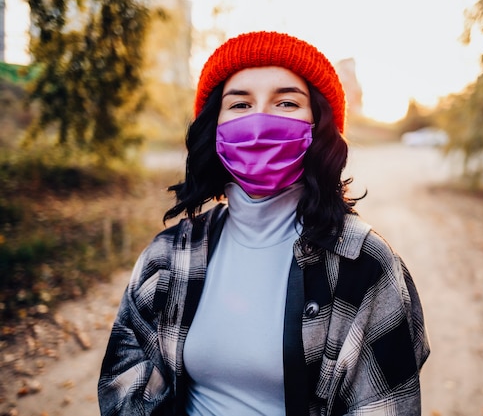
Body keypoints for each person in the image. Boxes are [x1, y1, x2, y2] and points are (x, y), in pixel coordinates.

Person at [98, 31, 430, 416]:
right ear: (214, 125)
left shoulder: (366, 264)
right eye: (240, 104)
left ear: (317, 125)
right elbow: (122, 385)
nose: (259, 122)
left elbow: (388, 405)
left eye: (287, 102)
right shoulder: (168, 254)